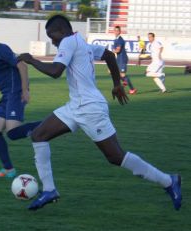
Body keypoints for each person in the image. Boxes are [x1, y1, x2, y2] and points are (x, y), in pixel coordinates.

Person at [18, 15, 182, 211]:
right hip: (76, 105)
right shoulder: (80, 41)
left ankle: (168, 181)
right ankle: (49, 190)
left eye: (51, 36)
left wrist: (31, 60)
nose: (51, 41)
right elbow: (109, 55)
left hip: (89, 108)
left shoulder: (68, 42)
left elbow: (55, 71)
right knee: (39, 135)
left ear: (61, 31)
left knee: (115, 156)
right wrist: (116, 84)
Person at [0, 24, 41, 177]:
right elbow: (5, 77)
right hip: (6, 95)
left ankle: (50, 123)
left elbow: (22, 66)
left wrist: (25, 90)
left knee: (12, 133)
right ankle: (8, 169)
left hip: (16, 93)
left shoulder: (1, 49)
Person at [113, 26, 137, 95]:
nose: (116, 32)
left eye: (117, 30)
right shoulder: (115, 40)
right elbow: (116, 50)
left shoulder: (120, 40)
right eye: (115, 30)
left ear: (120, 31)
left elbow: (118, 50)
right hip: (119, 59)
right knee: (117, 74)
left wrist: (112, 51)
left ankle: (132, 89)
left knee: (122, 75)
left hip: (122, 59)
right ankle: (125, 82)